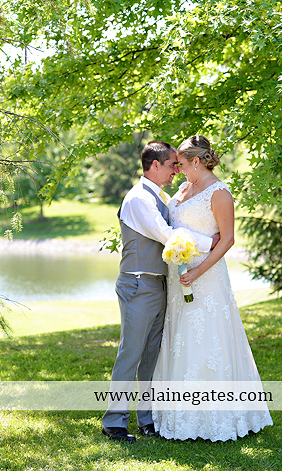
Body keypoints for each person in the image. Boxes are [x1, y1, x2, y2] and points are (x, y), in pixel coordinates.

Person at [152, 135, 273, 441]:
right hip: (179, 278)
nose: (177, 169)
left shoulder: (219, 193)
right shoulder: (183, 189)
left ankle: (215, 417)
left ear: (196, 161)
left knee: (207, 338)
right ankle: (177, 412)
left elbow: (228, 239)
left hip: (206, 278)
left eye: (181, 164)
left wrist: (198, 271)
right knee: (180, 338)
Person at [101, 140, 218, 442]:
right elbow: (168, 236)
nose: (176, 171)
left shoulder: (159, 196)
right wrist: (210, 242)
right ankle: (114, 421)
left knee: (152, 356)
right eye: (171, 165)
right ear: (155, 165)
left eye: (179, 165)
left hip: (158, 284)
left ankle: (147, 419)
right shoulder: (139, 199)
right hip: (138, 284)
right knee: (131, 353)